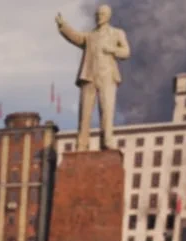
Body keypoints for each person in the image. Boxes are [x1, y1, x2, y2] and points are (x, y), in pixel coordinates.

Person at [56, 5, 131, 151]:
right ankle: (82, 144)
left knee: (107, 111)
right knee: (84, 113)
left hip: (107, 76)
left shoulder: (117, 33)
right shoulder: (90, 36)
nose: (98, 16)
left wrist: (112, 50)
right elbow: (76, 37)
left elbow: (126, 52)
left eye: (102, 14)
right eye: (97, 14)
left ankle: (107, 141)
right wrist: (63, 26)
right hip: (88, 76)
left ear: (108, 16)